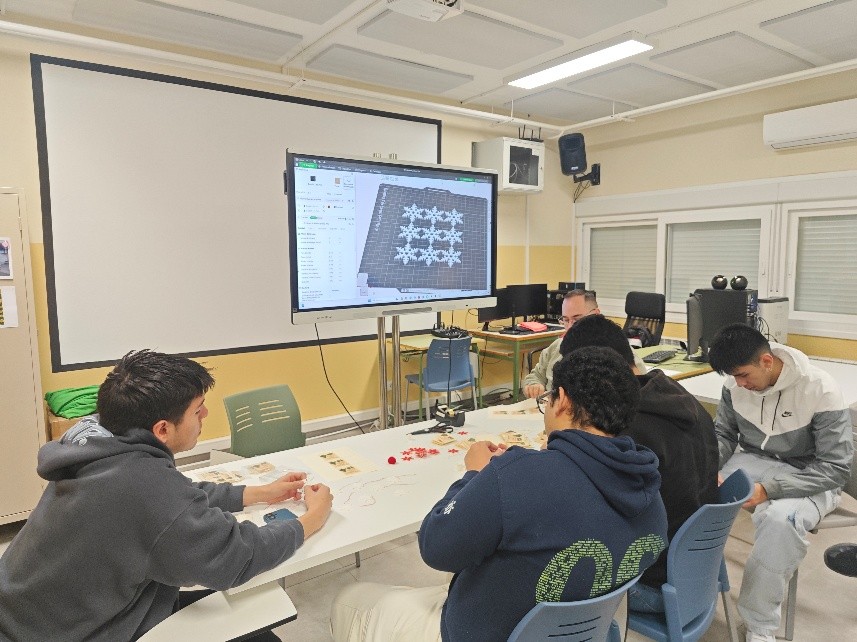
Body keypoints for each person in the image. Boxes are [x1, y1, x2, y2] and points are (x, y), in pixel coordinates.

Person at [329, 346, 668, 642]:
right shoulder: (648, 487)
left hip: (486, 633)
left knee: (349, 597)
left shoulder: (519, 475)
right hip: (577, 632)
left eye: (547, 399)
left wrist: (476, 473)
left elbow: (435, 547)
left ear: (562, 400)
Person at [0, 350, 333, 642]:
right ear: (162, 429)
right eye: (198, 409)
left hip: (26, 611)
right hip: (71, 632)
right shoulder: (145, 486)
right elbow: (235, 557)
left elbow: (170, 497)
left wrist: (256, 493)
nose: (205, 416)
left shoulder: (99, 440)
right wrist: (311, 518)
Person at [559, 314, 720, 612]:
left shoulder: (628, 432)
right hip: (698, 569)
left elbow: (585, 518)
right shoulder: (675, 395)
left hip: (652, 582)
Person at [708, 324, 853, 642]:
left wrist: (769, 491)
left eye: (744, 375)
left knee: (779, 520)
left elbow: (835, 468)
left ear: (766, 361)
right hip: (757, 461)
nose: (740, 385)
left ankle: (759, 626)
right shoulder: (736, 386)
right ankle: (686, 588)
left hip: (811, 474)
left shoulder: (820, 388)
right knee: (693, 479)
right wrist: (709, 467)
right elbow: (723, 435)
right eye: (733, 378)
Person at [523, 289, 646, 398]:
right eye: (565, 320)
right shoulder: (556, 347)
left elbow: (640, 386)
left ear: (596, 315)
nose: (570, 326)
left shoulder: (618, 349)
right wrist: (533, 385)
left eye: (577, 319)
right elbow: (535, 376)